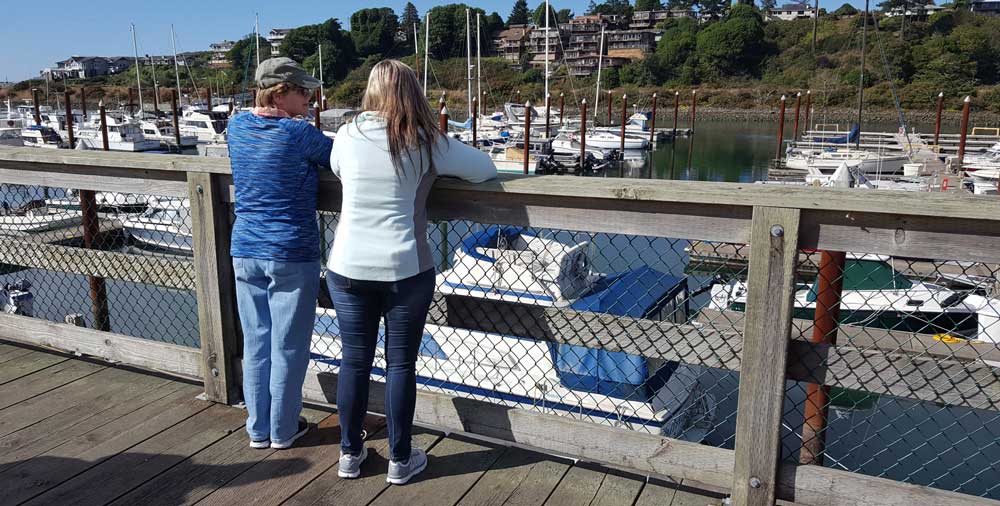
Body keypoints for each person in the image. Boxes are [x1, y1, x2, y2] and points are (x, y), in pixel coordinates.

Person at [328, 59, 496, 485]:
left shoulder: (346, 134)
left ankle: (349, 453)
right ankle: (400, 460)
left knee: (354, 360)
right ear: (412, 91)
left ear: (370, 90)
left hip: (347, 266)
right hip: (405, 268)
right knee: (400, 364)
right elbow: (485, 169)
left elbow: (337, 171)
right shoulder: (425, 140)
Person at [228, 57, 331, 450]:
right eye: (303, 90)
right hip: (291, 250)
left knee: (257, 341)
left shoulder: (235, 126)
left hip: (246, 248)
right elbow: (337, 159)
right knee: (288, 345)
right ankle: (284, 429)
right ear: (280, 92)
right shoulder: (297, 133)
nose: (310, 96)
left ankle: (258, 429)